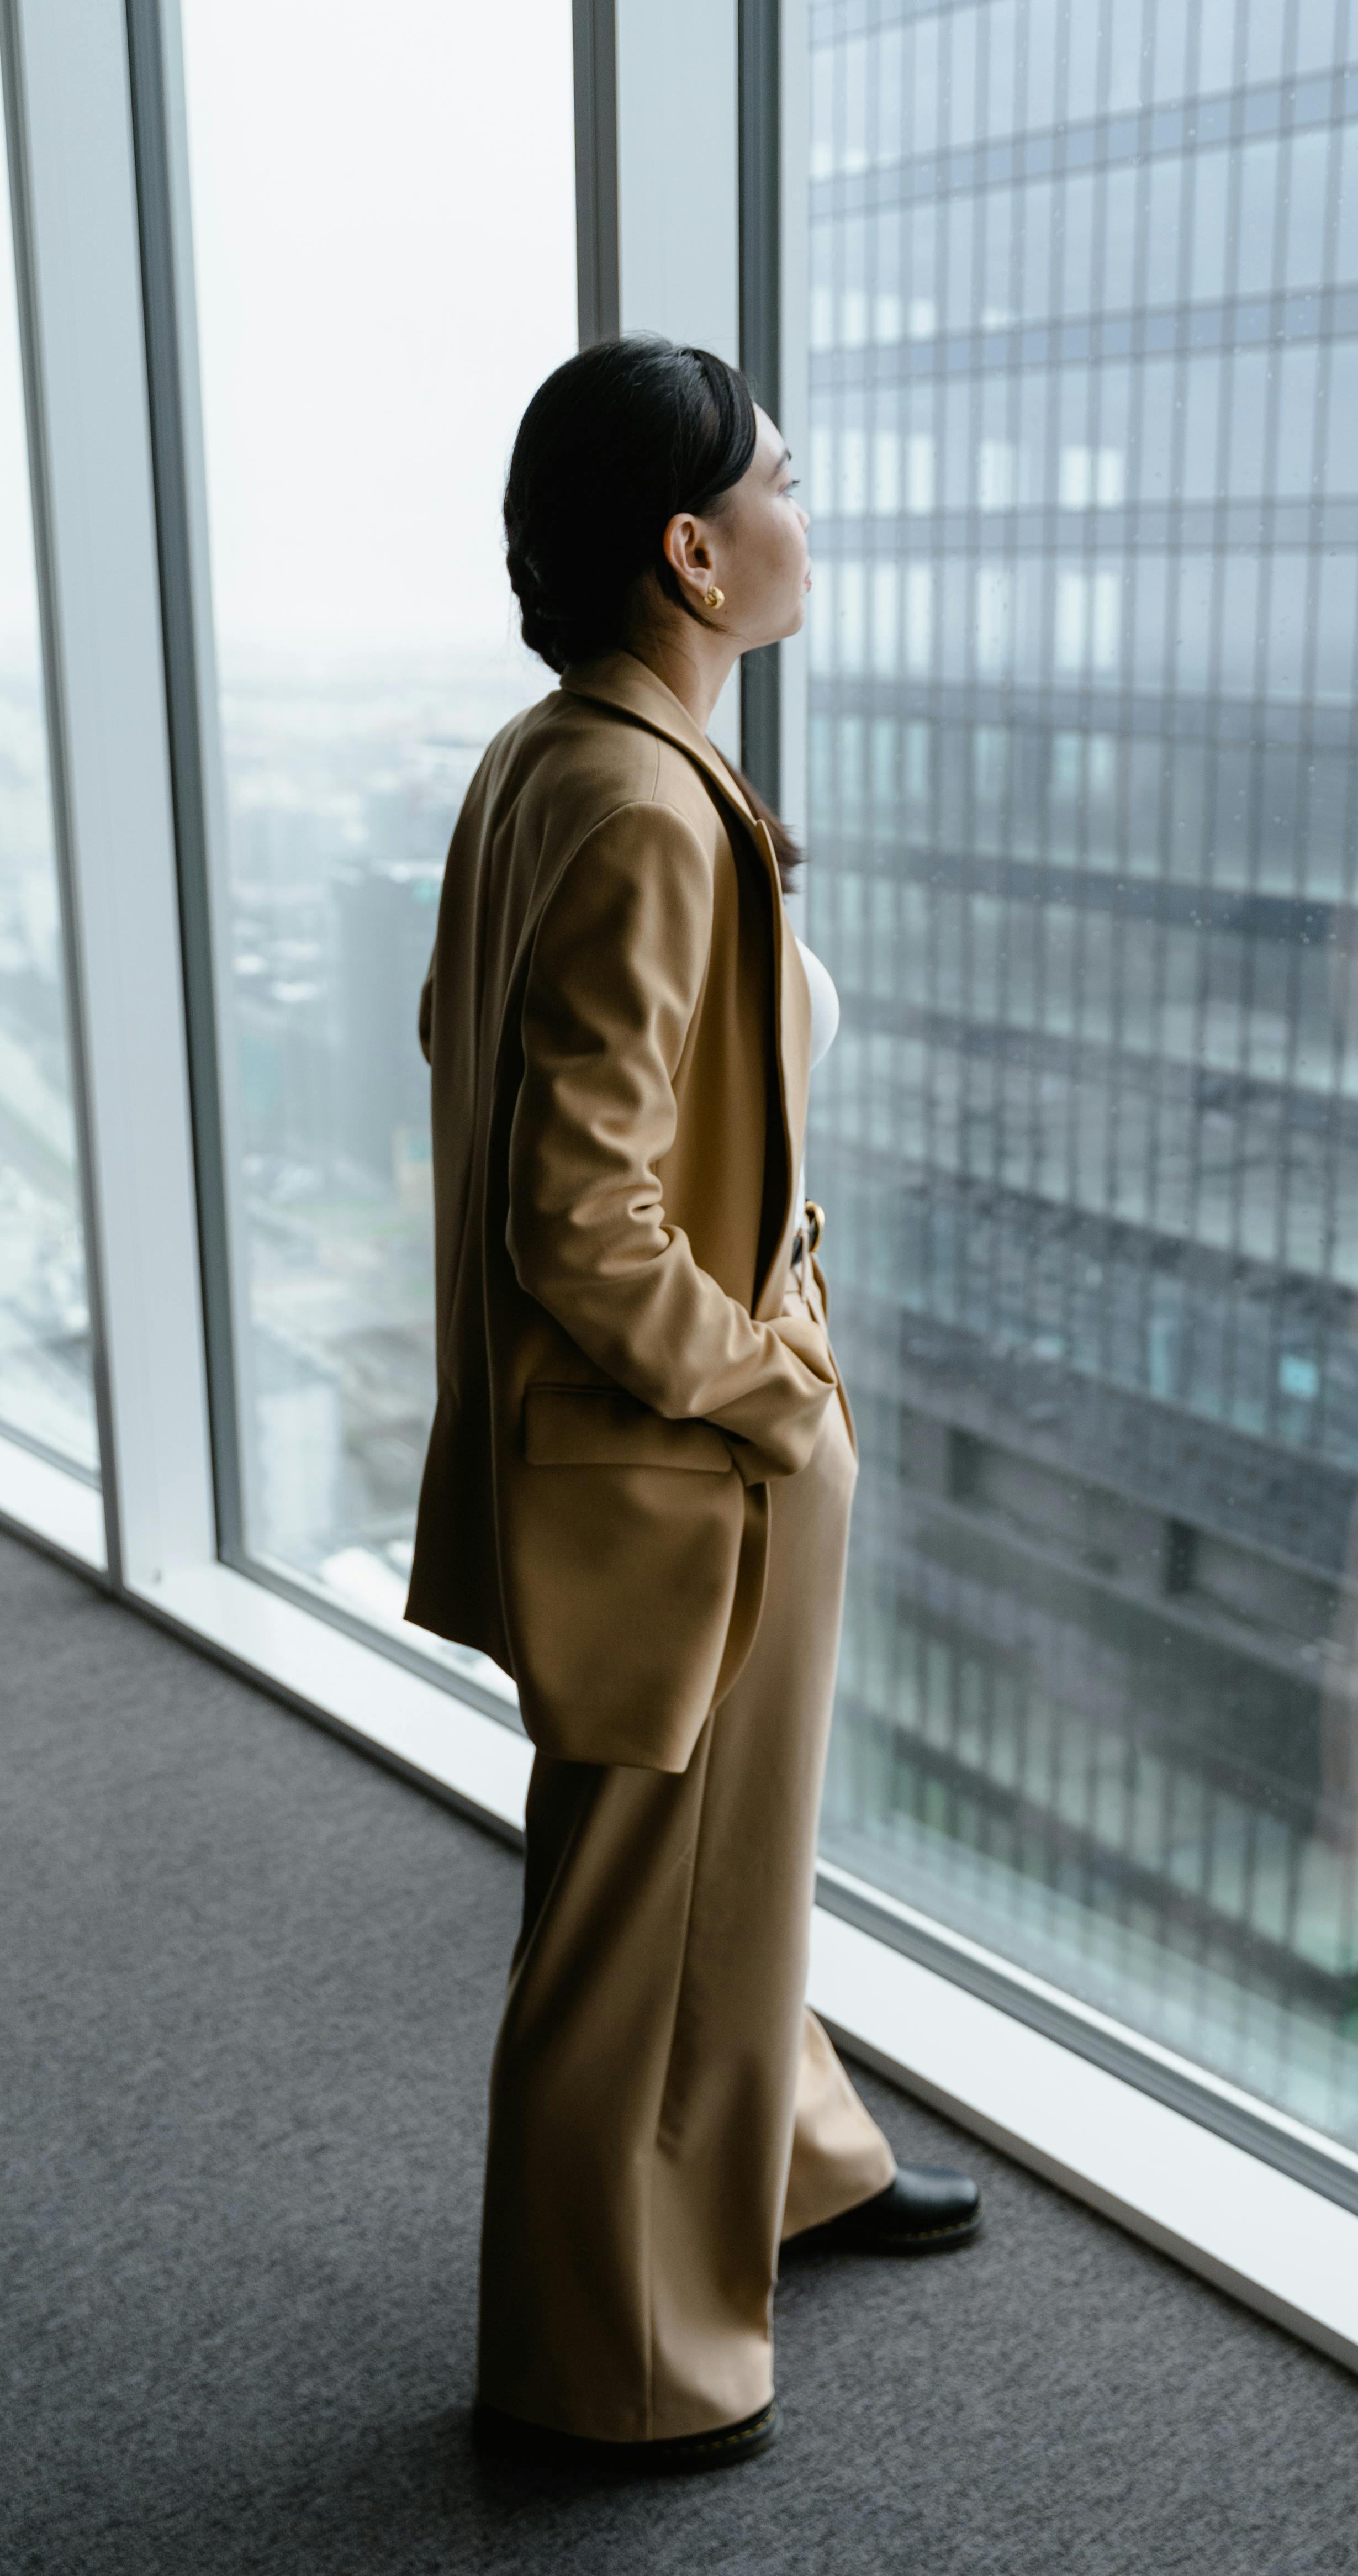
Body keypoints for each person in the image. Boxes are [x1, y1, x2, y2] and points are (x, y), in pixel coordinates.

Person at [405, 336, 981, 2477]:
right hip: (684, 1455)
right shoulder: (645, 808)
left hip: (669, 1439)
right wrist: (777, 1398)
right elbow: (582, 1216)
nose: (803, 516)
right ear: (691, 550)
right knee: (626, 1917)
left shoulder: (559, 758)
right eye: (784, 484)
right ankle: (597, 2366)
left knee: (722, 1867)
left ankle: (793, 2154)